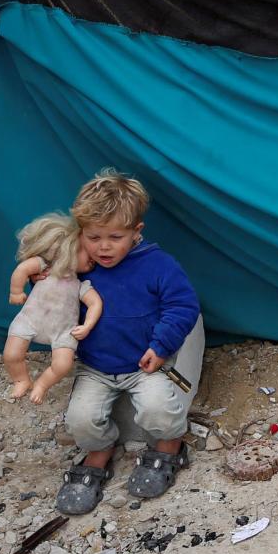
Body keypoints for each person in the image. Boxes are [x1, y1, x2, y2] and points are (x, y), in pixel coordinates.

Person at [55, 169, 200, 514]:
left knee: (159, 408)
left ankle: (169, 448)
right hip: (95, 365)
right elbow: (53, 301)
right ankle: (100, 452)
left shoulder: (157, 265)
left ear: (136, 233)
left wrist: (161, 346)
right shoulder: (80, 267)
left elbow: (183, 305)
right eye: (94, 237)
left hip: (143, 363)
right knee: (80, 418)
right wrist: (41, 279)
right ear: (81, 234)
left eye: (115, 237)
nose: (103, 247)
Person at [3, 214, 103, 404]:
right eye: (88, 254)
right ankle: (21, 379)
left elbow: (95, 303)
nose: (94, 259)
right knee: (11, 354)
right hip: (30, 319)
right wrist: (16, 291)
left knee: (63, 364)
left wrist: (88, 325)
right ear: (70, 247)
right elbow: (22, 269)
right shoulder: (46, 267)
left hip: (63, 330)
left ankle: (42, 384)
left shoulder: (81, 285)